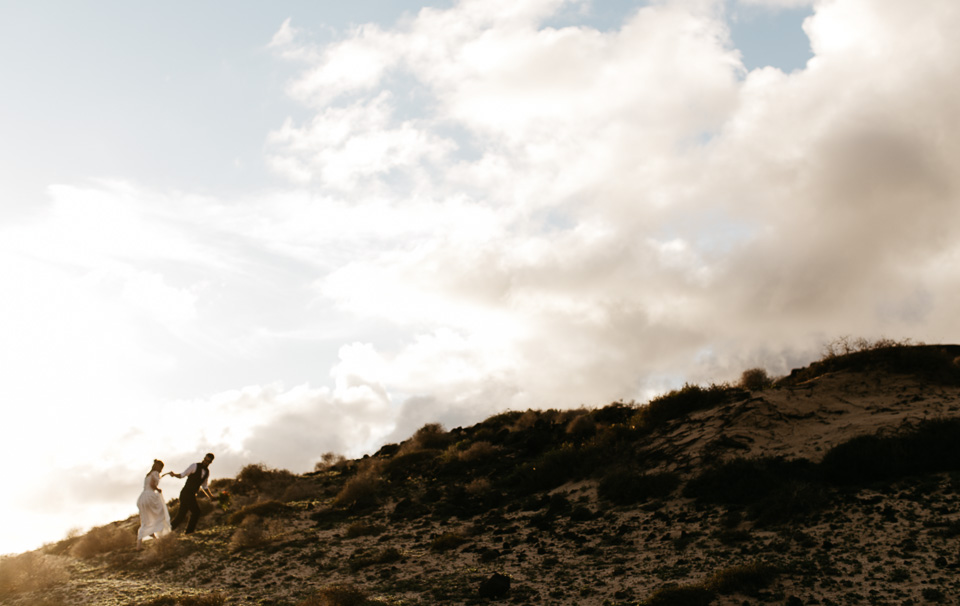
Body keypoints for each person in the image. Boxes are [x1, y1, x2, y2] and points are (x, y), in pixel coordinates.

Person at [169, 452, 215, 534]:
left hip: (191, 494)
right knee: (196, 512)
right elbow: (182, 475)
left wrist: (211, 496)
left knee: (181, 516)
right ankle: (189, 532)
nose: (205, 462)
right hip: (186, 493)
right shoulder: (194, 466)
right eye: (205, 459)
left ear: (210, 462)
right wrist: (174, 474)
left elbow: (204, 486)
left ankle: (166, 532)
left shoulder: (207, 472)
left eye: (208, 461)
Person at [136, 459, 172, 548]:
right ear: (158, 467)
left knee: (145, 520)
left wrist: (166, 474)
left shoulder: (148, 474)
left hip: (142, 497)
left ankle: (139, 545)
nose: (161, 470)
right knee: (160, 515)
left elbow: (154, 480)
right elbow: (152, 484)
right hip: (150, 497)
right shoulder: (155, 473)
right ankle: (158, 536)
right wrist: (158, 489)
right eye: (161, 468)